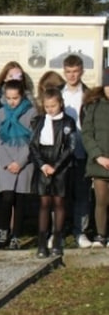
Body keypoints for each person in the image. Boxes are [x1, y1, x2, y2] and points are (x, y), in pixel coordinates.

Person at [28, 85, 77, 258]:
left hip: (60, 167)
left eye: (53, 106)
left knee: (59, 203)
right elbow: (33, 145)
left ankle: (57, 240)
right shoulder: (39, 121)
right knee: (44, 204)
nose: (50, 110)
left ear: (60, 104)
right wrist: (42, 165)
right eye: (47, 106)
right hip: (43, 165)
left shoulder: (68, 122)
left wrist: (56, 166)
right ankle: (42, 242)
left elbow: (70, 147)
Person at [0, 80, 36, 249]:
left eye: (15, 98)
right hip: (7, 163)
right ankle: (3, 232)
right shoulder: (2, 113)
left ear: (22, 96)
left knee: (20, 200)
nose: (11, 101)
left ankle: (16, 235)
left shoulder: (31, 112)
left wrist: (21, 161)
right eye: (8, 98)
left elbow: (32, 138)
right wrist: (8, 162)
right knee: (6, 197)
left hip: (24, 163)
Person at [60, 53, 92, 247]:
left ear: (81, 71)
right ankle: (58, 232)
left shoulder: (89, 95)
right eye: (68, 72)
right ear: (64, 72)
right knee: (61, 195)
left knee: (82, 194)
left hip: (82, 150)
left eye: (75, 72)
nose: (72, 76)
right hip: (61, 154)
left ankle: (81, 232)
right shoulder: (57, 93)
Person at [79, 69, 109, 248]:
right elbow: (87, 133)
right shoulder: (94, 106)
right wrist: (98, 156)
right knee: (101, 200)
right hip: (100, 163)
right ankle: (101, 235)